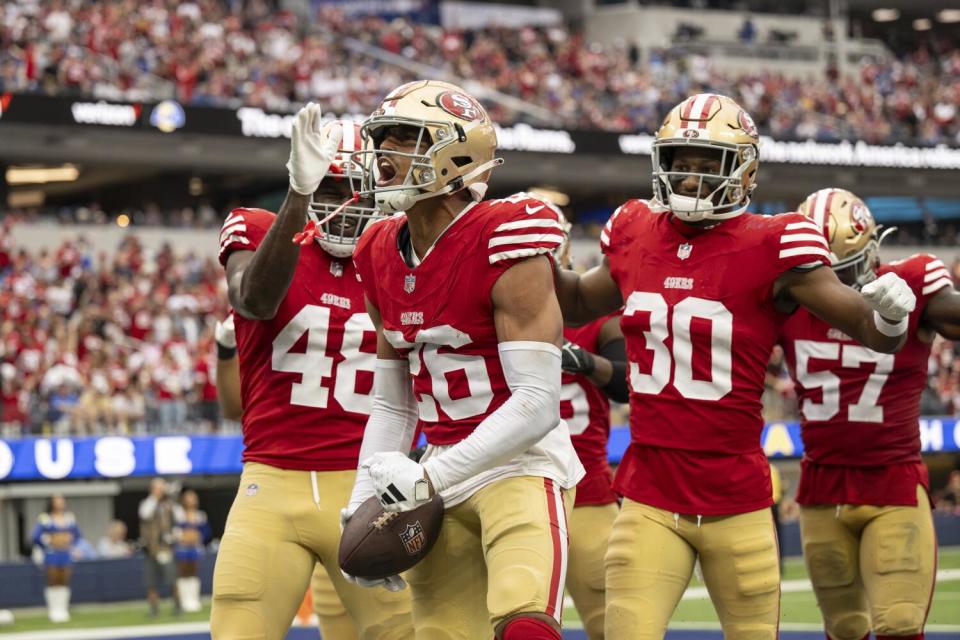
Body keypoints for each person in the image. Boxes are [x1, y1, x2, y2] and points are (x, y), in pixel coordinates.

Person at [555, 93, 917, 639]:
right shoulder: (633, 229)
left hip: (736, 497)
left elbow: (871, 331)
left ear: (743, 171)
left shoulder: (775, 243)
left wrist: (888, 317)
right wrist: (526, 260)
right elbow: (581, 301)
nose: (692, 178)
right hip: (649, 489)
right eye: (681, 161)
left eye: (709, 165)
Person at [344, 80, 584, 640]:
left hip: (520, 463)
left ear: (453, 154)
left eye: (402, 140)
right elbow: (392, 402)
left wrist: (424, 477)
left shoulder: (506, 232)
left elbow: (536, 402)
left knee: (523, 615)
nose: (383, 156)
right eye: (382, 140)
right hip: (438, 467)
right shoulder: (377, 248)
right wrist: (363, 499)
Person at [211, 105, 412, 640]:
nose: (343, 208)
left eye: (355, 191)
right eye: (328, 189)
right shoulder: (260, 229)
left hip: (370, 485)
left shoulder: (400, 255)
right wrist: (298, 197)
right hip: (272, 483)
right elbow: (253, 298)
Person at [778, 188, 960, 640]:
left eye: (841, 272)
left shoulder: (910, 282)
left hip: (892, 481)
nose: (831, 290)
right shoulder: (784, 298)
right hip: (821, 487)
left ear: (872, 250)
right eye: (819, 274)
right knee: (843, 629)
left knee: (899, 625)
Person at [213, 313, 367, 639]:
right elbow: (233, 407)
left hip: (366, 482)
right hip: (281, 476)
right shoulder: (274, 278)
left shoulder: (388, 272)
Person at [553, 211, 628, 640]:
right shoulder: (481, 316)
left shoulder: (596, 317)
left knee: (610, 624)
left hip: (588, 494)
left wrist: (586, 363)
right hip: (513, 489)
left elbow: (627, 382)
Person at [31, 495, 82, 622]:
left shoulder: (69, 517)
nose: (61, 503)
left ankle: (63, 608)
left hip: (65, 552)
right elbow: (36, 536)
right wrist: (49, 541)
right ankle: (53, 609)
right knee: (53, 580)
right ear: (52, 503)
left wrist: (70, 543)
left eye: (62, 500)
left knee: (64, 580)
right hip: (52, 553)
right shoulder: (45, 518)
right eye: (57, 500)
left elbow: (77, 535)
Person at [139, 477, 177, 616]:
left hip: (166, 548)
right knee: (151, 581)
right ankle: (154, 608)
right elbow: (145, 513)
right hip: (151, 549)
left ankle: (177, 605)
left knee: (172, 578)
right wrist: (155, 496)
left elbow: (178, 518)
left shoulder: (168, 504)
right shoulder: (147, 503)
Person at [173, 489, 211, 613]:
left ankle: (194, 599)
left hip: (195, 547)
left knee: (194, 571)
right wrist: (183, 536)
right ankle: (184, 600)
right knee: (183, 572)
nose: (191, 500)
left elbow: (206, 531)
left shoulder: (200, 515)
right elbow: (175, 529)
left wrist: (197, 536)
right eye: (188, 498)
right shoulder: (179, 514)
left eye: (193, 498)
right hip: (182, 547)